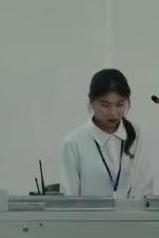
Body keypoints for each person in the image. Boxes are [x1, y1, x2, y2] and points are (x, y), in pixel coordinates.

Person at [60, 68, 154, 198]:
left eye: (120, 105)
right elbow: (69, 198)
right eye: (105, 105)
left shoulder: (140, 136)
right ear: (92, 103)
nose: (113, 113)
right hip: (88, 212)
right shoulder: (74, 142)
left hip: (133, 211)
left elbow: (146, 191)